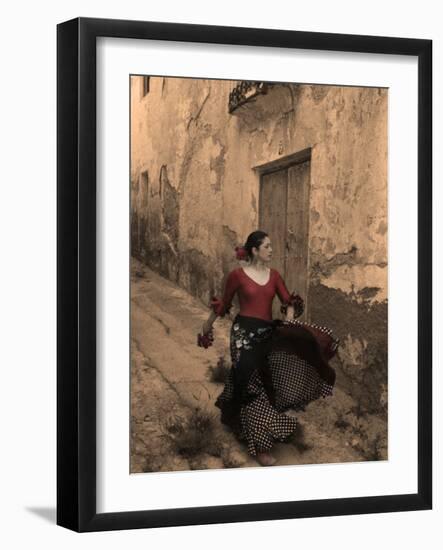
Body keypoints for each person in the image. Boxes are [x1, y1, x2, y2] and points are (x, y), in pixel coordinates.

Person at [198, 230, 339, 467]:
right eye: (267, 246)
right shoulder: (237, 276)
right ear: (254, 250)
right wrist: (206, 325)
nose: (272, 250)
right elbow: (224, 303)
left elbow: (288, 302)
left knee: (263, 382)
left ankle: (239, 420)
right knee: (250, 383)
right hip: (243, 336)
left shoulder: (274, 276)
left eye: (271, 246)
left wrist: (291, 323)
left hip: (267, 334)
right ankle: (261, 446)